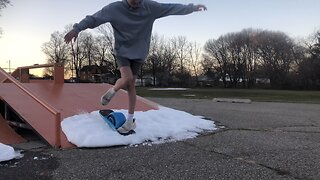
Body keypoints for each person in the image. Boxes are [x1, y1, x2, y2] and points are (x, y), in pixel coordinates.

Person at [64, 0, 207, 134]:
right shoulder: (114, 9)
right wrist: (77, 29)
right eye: (134, 1)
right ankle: (114, 90)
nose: (137, 4)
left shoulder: (150, 7)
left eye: (139, 1)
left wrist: (192, 8)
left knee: (131, 85)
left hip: (139, 53)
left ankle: (130, 120)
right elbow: (94, 19)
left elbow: (170, 8)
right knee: (127, 78)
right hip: (122, 52)